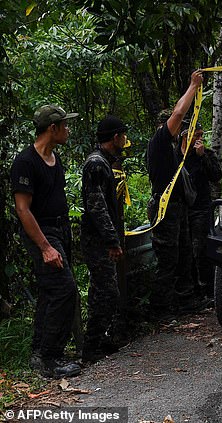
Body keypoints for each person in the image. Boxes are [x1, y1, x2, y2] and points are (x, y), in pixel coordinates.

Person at [10, 104, 81, 378]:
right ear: (53, 129)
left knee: (50, 292)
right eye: (65, 125)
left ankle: (40, 352)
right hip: (42, 234)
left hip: (60, 229)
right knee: (65, 289)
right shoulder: (26, 162)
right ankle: (52, 357)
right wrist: (45, 247)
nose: (68, 130)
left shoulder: (55, 158)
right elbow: (22, 210)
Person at [146, 70, 203, 319]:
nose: (180, 127)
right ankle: (160, 309)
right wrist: (193, 86)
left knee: (183, 254)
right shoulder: (159, 141)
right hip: (165, 207)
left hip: (178, 207)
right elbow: (179, 113)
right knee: (168, 259)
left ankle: (185, 302)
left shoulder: (172, 148)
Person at [80, 115, 128, 362]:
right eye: (122, 135)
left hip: (100, 238)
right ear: (115, 137)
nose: (125, 140)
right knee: (106, 291)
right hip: (96, 240)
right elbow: (96, 206)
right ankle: (91, 347)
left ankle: (99, 340)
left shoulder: (106, 162)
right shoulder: (97, 164)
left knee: (101, 290)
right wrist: (112, 241)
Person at [178, 120, 222, 301]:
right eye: (195, 135)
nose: (199, 139)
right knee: (184, 250)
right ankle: (190, 290)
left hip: (201, 208)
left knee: (202, 249)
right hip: (181, 209)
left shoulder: (206, 154)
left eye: (201, 136)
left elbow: (216, 175)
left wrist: (202, 156)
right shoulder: (176, 156)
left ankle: (208, 289)